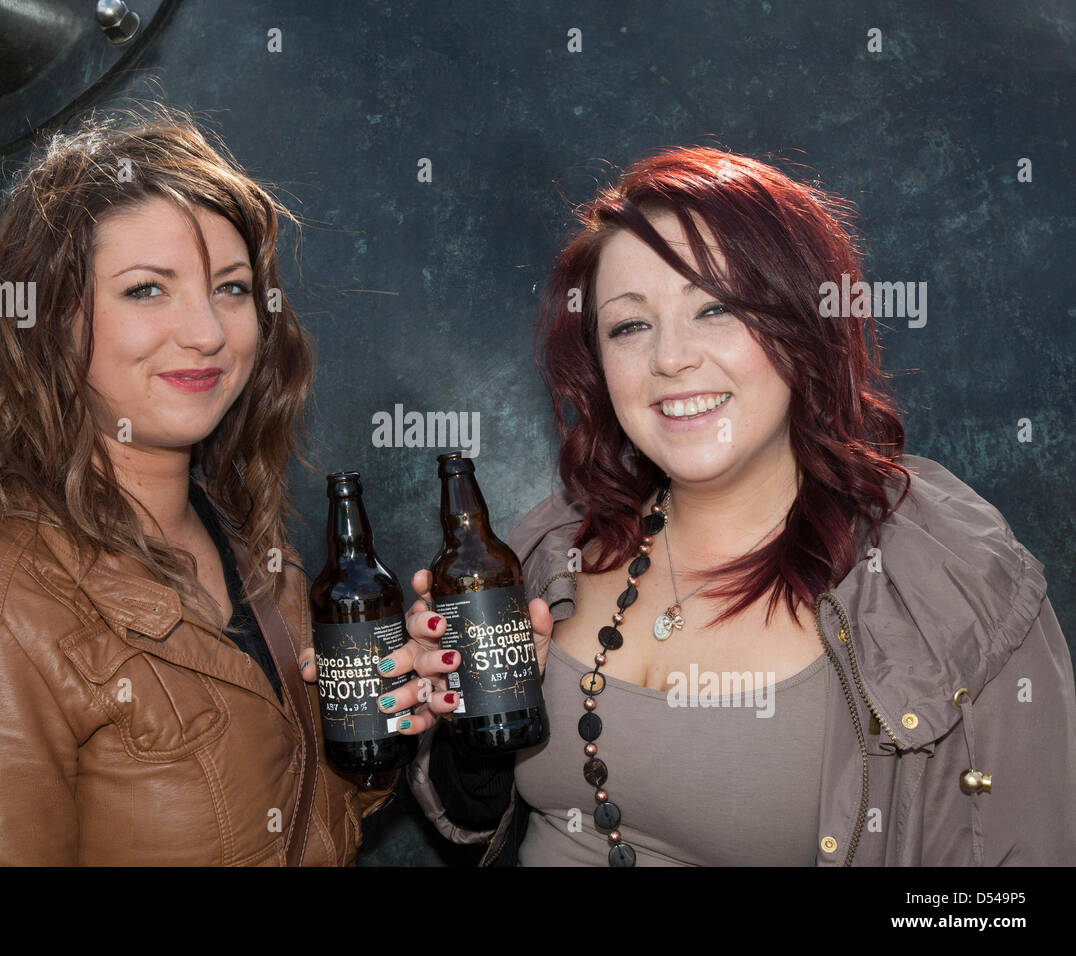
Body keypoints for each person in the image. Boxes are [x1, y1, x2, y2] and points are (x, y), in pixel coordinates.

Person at [381, 146, 1076, 865]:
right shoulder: (554, 541)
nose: (670, 358)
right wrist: (467, 734)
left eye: (716, 308)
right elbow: (476, 821)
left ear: (804, 329)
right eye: (629, 325)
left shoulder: (946, 573)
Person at [0, 103, 448, 865]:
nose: (206, 331)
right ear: (51, 322)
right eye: (147, 290)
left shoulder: (255, 549)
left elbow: (299, 820)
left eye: (231, 289)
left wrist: (386, 728)